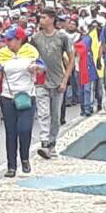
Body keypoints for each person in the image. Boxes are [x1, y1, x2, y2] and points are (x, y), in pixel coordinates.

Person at [0, 27, 44, 178]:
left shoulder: (31, 51)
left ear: (19, 39)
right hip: (8, 97)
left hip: (26, 95)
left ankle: (24, 158)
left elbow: (43, 69)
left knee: (24, 129)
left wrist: (37, 68)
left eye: (10, 40)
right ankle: (11, 166)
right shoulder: (2, 54)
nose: (7, 43)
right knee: (10, 132)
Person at [29, 9, 73, 160]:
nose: (41, 20)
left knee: (55, 116)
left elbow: (71, 59)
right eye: (40, 17)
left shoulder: (63, 37)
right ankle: (44, 142)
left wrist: (65, 79)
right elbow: (30, 55)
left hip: (58, 80)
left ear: (52, 19)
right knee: (43, 113)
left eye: (44, 17)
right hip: (41, 81)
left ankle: (52, 143)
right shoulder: (35, 38)